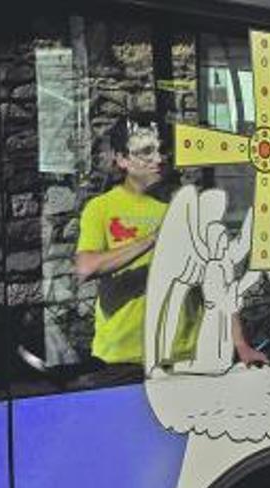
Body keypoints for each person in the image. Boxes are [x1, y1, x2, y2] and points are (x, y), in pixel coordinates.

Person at [75, 115, 200, 366]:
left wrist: (239, 343)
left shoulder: (187, 205)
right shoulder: (101, 208)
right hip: (125, 355)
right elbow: (86, 267)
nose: (159, 159)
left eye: (163, 150)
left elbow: (214, 280)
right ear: (121, 159)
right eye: (146, 152)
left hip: (185, 353)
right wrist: (154, 239)